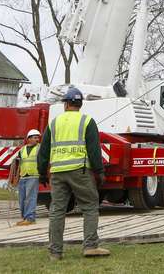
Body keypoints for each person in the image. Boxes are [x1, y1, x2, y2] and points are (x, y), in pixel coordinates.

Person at [37, 87, 110, 260]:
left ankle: (55, 252)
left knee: (57, 210)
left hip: (57, 173)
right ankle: (90, 246)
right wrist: (99, 172)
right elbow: (94, 150)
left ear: (65, 104)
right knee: (90, 206)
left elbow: (43, 150)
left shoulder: (54, 123)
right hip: (79, 171)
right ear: (80, 104)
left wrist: (41, 173)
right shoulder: (87, 121)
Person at [13, 129, 42, 226]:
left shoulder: (40, 148)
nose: (37, 139)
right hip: (23, 177)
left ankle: (30, 218)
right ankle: (25, 217)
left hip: (33, 176)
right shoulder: (22, 150)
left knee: (30, 197)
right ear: (29, 139)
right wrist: (16, 178)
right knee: (22, 199)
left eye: (38, 137)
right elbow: (19, 165)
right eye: (35, 137)